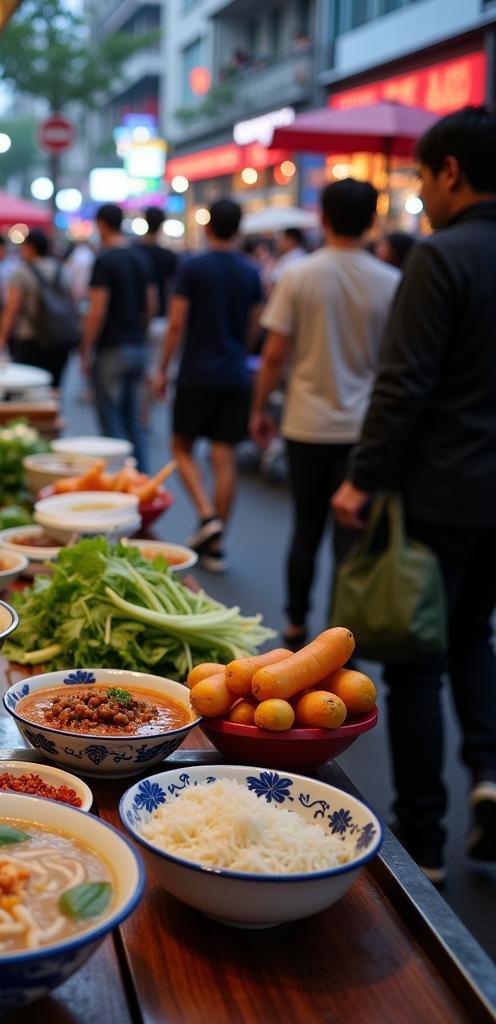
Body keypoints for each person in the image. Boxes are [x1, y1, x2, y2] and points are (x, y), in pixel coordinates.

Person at [332, 106, 496, 883]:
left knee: (420, 663)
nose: (422, 194)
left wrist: (362, 477)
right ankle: (489, 778)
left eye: (424, 178)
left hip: (438, 491)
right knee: (477, 638)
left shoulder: (442, 256)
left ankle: (425, 842)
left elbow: (403, 383)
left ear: (452, 172)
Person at [249, 179, 400, 650]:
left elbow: (274, 354)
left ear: (323, 218)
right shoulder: (392, 281)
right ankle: (340, 638)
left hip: (306, 424)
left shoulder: (300, 274)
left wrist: (258, 407)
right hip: (365, 431)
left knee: (306, 528)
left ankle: (294, 625)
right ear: (373, 220)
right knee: (351, 539)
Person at [152, 198, 264, 572]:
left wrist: (162, 369)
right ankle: (216, 546)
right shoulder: (251, 272)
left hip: (197, 372)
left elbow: (176, 324)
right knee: (224, 456)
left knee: (181, 447)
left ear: (208, 226)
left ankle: (204, 513)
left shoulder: (193, 267)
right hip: (235, 374)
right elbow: (253, 326)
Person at [80, 203, 155, 473]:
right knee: (133, 419)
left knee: (111, 422)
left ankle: (118, 482)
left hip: (112, 349)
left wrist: (85, 349)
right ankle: (141, 479)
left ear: (101, 224)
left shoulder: (105, 260)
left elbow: (97, 311)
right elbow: (151, 304)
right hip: (137, 346)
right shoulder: (140, 258)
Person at [0, 228, 76, 387]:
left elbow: (11, 309)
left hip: (30, 339)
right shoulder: (63, 270)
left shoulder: (22, 272)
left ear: (30, 247)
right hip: (60, 339)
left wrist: (1, 339)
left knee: (30, 389)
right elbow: (73, 301)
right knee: (55, 388)